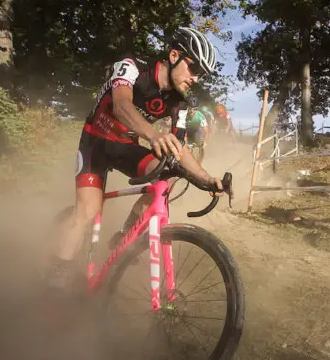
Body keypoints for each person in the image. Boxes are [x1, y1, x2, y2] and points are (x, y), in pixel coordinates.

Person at [46, 26, 225, 289]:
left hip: (125, 146)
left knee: (170, 171)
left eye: (201, 74)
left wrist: (207, 178)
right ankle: (53, 281)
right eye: (194, 68)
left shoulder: (180, 103)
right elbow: (121, 105)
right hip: (96, 142)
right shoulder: (132, 66)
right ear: (174, 55)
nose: (196, 78)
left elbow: (180, 149)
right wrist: (153, 135)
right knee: (87, 211)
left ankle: (124, 234)